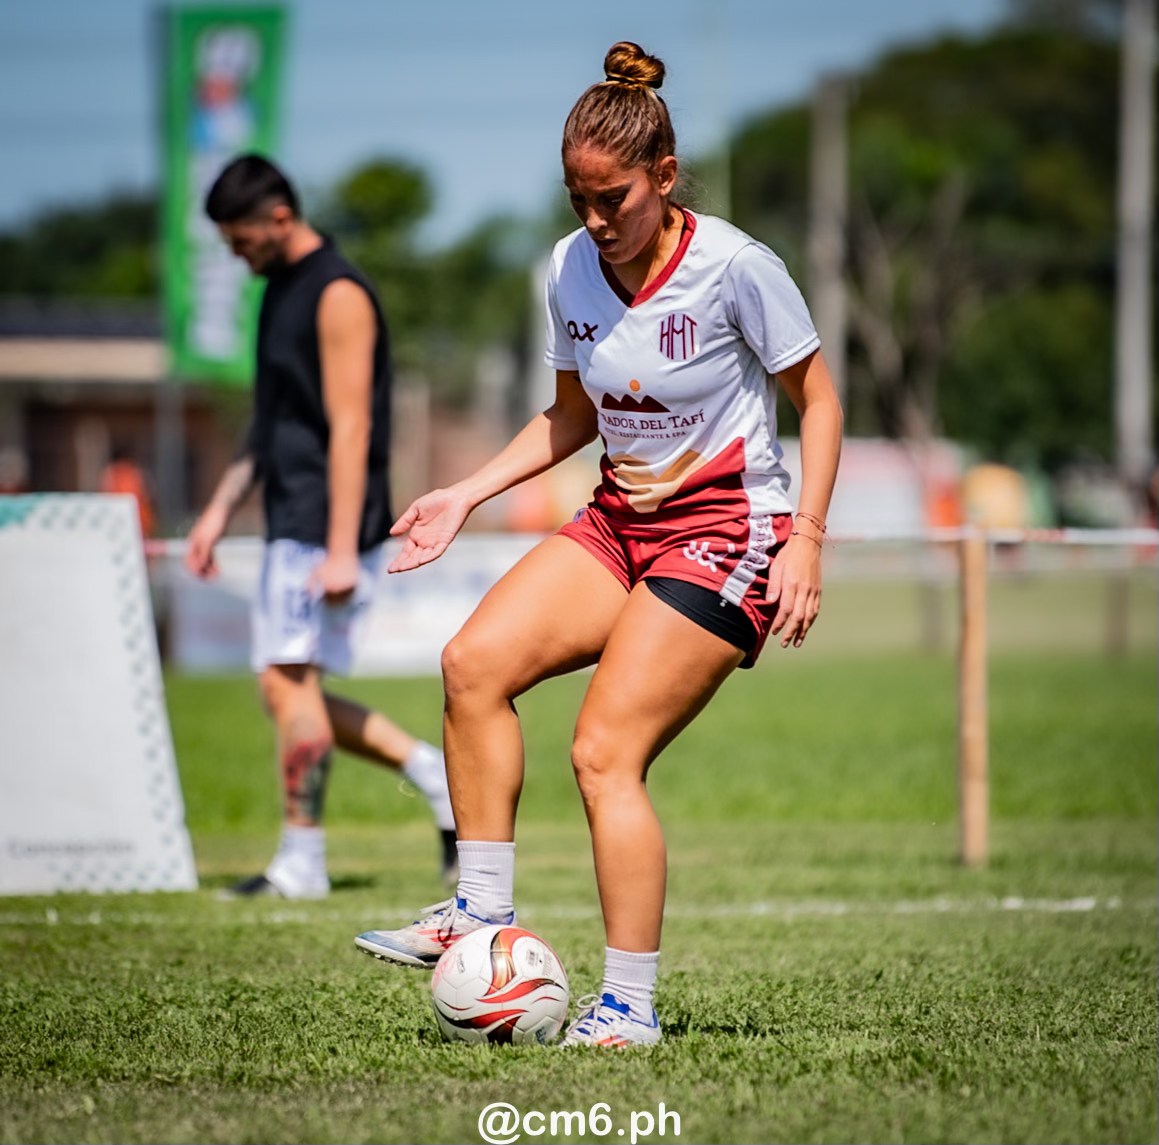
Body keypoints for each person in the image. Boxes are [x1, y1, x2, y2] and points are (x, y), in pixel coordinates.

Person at [354, 41, 843, 1048]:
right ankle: (479, 912)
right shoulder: (567, 268)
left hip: (729, 529)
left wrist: (806, 537)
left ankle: (627, 1006)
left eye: (612, 196)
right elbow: (569, 416)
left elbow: (821, 402)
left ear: (662, 177)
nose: (594, 218)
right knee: (471, 664)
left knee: (602, 750)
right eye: (577, 196)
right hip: (621, 521)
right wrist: (462, 493)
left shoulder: (738, 268)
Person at [185, 153, 456, 899]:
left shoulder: (338, 293)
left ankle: (301, 861)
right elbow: (269, 421)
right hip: (291, 513)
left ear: (278, 217)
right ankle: (431, 773)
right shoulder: (277, 291)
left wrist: (341, 549)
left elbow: (350, 424)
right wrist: (217, 509)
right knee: (283, 687)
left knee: (287, 680)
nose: (237, 257)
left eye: (240, 240)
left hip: (327, 521)